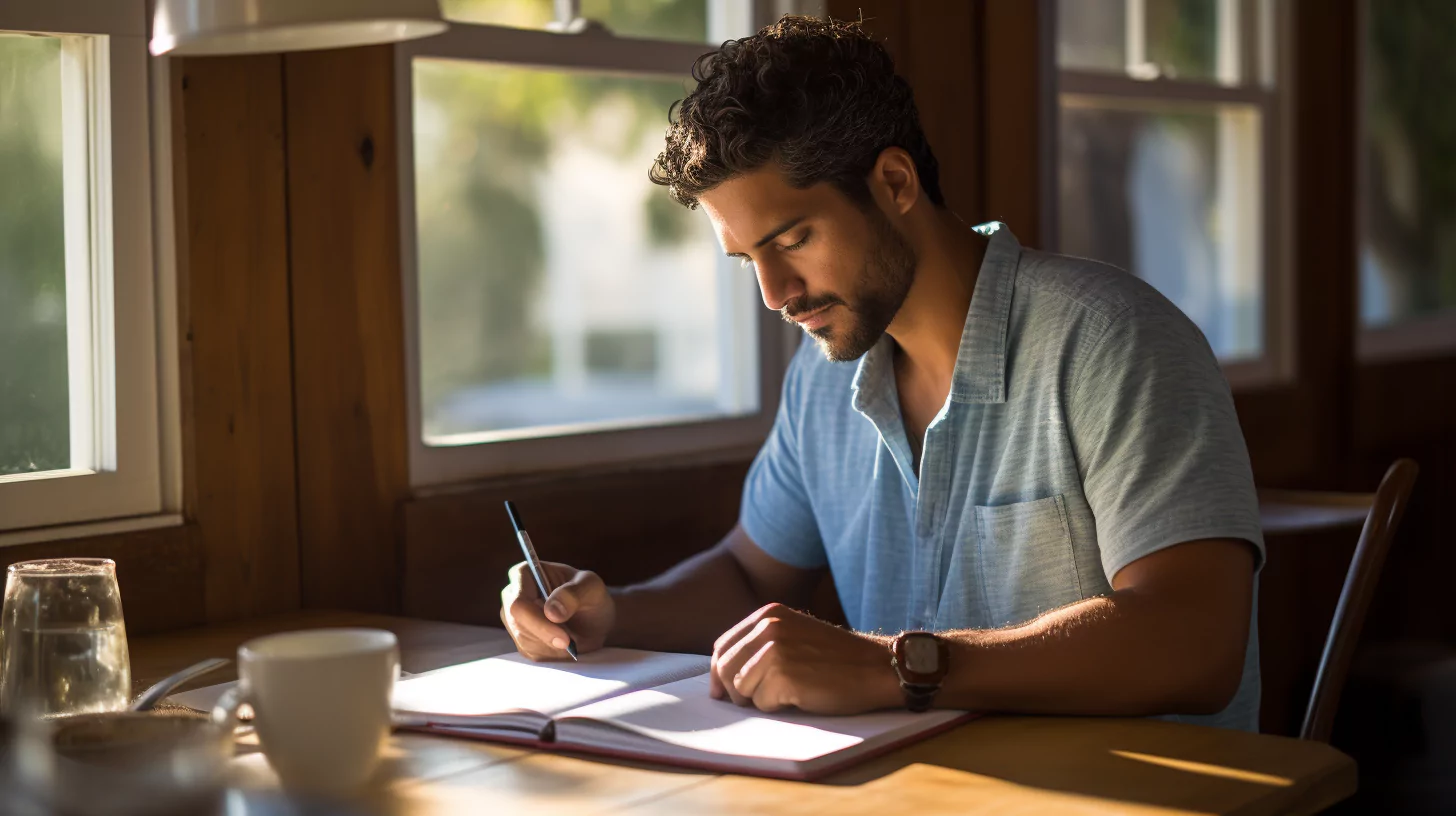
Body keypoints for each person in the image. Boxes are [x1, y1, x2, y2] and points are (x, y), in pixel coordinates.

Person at [500, 15, 1265, 730]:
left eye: (793, 239)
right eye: (748, 261)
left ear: (896, 184)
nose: (775, 294)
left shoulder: (1112, 340)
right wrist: (609, 612)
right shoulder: (822, 373)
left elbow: (1196, 640)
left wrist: (903, 667)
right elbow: (749, 576)